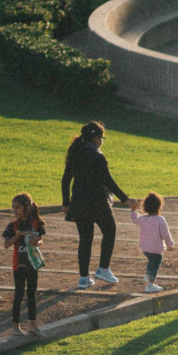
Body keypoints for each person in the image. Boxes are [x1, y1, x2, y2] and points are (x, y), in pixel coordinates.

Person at [61, 121, 135, 290]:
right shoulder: (97, 156)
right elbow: (108, 181)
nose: (102, 141)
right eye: (102, 138)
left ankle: (83, 278)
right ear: (95, 138)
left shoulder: (75, 153)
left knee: (85, 240)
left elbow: (66, 180)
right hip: (98, 201)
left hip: (79, 202)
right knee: (110, 231)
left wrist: (66, 202)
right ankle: (103, 268)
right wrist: (126, 199)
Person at [3, 193, 46, 338]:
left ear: (26, 208)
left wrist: (36, 241)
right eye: (13, 207)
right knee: (19, 294)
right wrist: (18, 235)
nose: (14, 211)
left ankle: (32, 325)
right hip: (19, 264)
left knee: (32, 294)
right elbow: (6, 244)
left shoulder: (36, 223)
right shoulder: (13, 226)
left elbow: (40, 239)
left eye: (17, 207)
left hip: (32, 263)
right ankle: (16, 326)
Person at [131, 192, 175, 294]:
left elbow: (134, 220)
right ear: (159, 207)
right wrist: (170, 244)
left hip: (145, 248)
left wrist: (133, 211)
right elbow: (165, 234)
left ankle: (148, 275)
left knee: (151, 261)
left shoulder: (142, 219)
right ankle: (150, 284)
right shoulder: (160, 220)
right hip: (156, 248)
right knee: (155, 263)